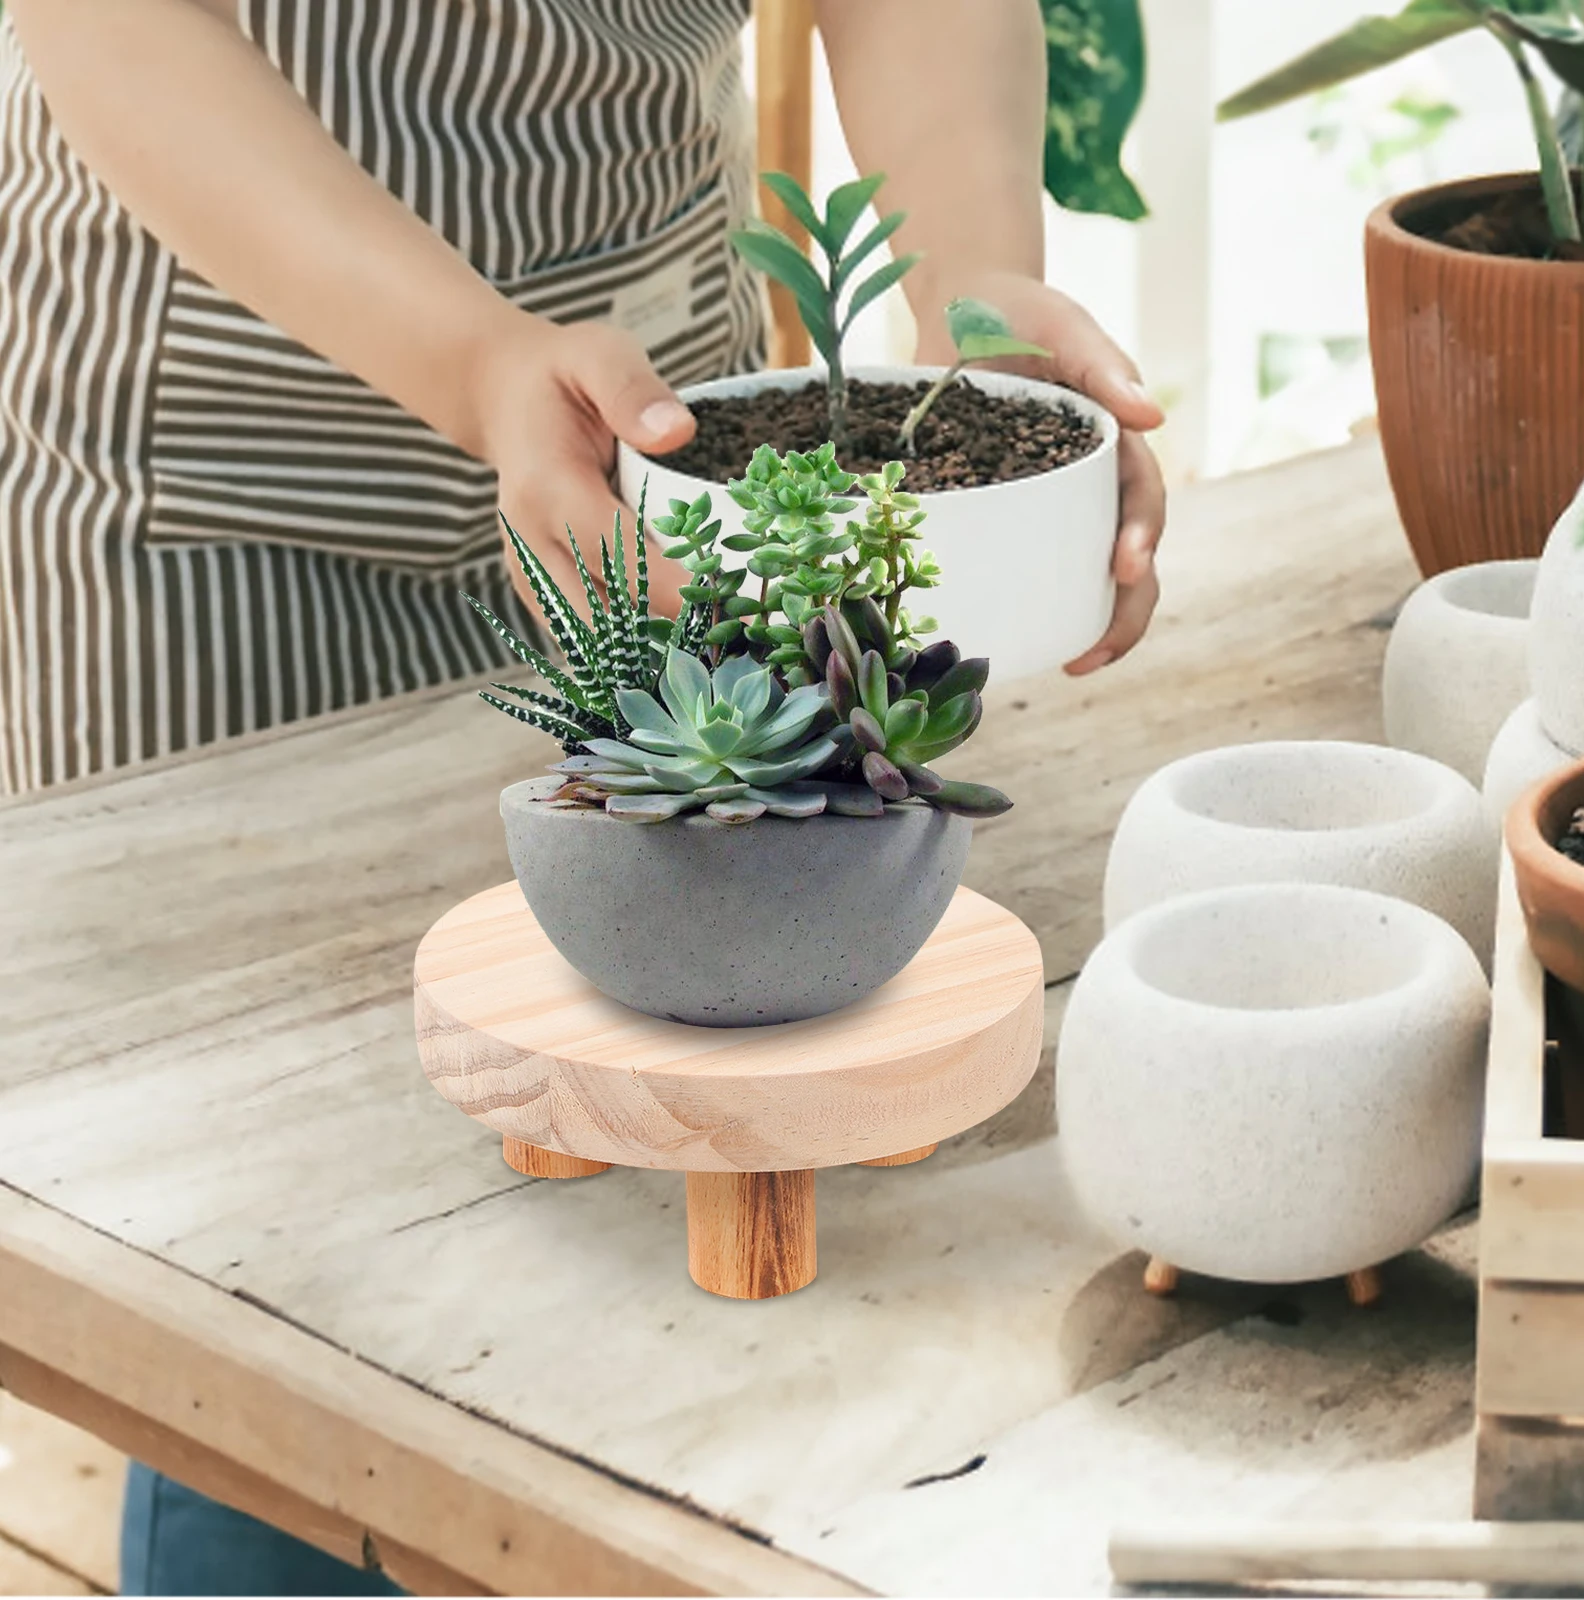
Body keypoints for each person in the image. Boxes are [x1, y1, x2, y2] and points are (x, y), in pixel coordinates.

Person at [3, 0, 1166, 1589]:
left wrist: (976, 303)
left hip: (662, 456)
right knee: (278, 1235)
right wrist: (476, 365)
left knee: (664, 1156)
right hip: (228, 455)